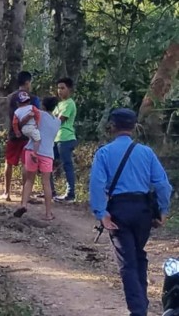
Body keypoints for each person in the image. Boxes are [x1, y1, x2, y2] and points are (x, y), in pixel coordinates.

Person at [89, 108, 172, 316]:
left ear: (112, 127)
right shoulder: (147, 152)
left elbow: (97, 185)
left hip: (119, 210)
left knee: (127, 261)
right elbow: (163, 185)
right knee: (138, 254)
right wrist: (163, 209)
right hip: (143, 210)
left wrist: (102, 213)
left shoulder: (104, 153)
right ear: (134, 127)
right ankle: (141, 304)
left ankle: (138, 310)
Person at [13, 97, 60, 221]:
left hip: (32, 150)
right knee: (46, 183)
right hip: (48, 153)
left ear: (42, 106)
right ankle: (48, 213)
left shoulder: (39, 114)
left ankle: (23, 204)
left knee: (29, 180)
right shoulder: (58, 121)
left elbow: (26, 121)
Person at [3, 71, 40, 201]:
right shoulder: (33, 98)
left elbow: (9, 114)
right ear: (27, 82)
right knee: (26, 163)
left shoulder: (10, 97)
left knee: (9, 161)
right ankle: (25, 193)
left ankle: (7, 192)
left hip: (13, 133)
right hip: (28, 135)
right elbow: (37, 115)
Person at [51, 77, 78, 202]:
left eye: (63, 88)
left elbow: (58, 120)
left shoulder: (69, 103)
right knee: (47, 163)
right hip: (56, 138)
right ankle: (49, 190)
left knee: (67, 165)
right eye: (58, 88)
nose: (60, 91)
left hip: (66, 138)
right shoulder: (59, 104)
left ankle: (70, 193)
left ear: (69, 89)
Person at [12, 91, 41, 158]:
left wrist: (17, 132)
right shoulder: (32, 107)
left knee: (31, 138)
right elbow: (37, 114)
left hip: (24, 129)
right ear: (28, 101)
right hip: (31, 127)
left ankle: (26, 148)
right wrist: (37, 122)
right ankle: (34, 153)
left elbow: (14, 123)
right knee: (38, 140)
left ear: (18, 103)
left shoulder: (16, 111)